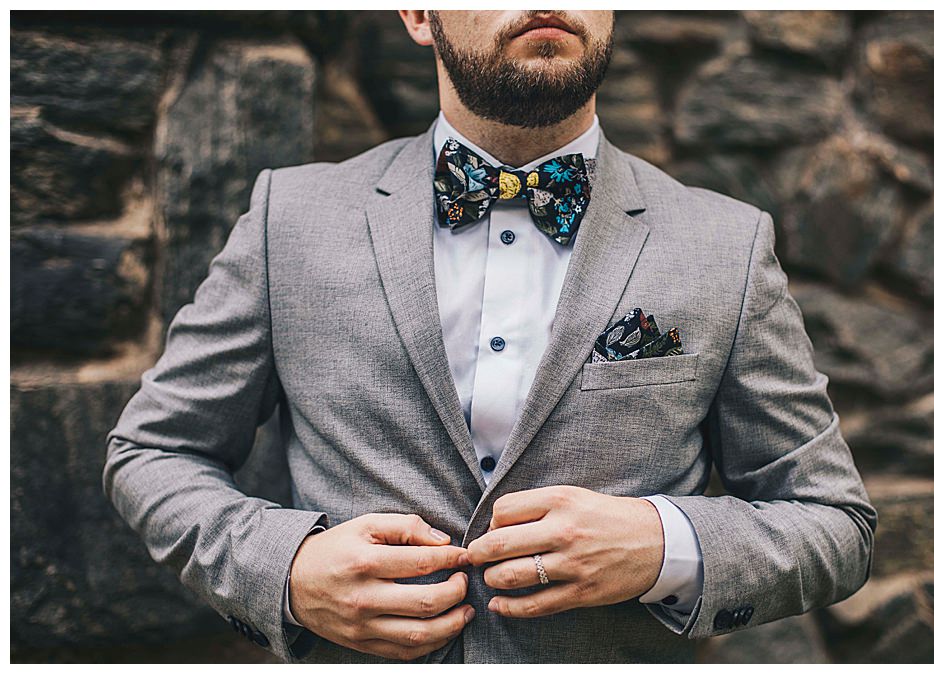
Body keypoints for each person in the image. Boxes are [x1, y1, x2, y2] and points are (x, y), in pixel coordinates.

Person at [103, 10, 877, 664]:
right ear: (416, 13)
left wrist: (664, 544)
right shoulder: (290, 220)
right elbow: (154, 453)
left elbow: (834, 524)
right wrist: (288, 569)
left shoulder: (726, 244)